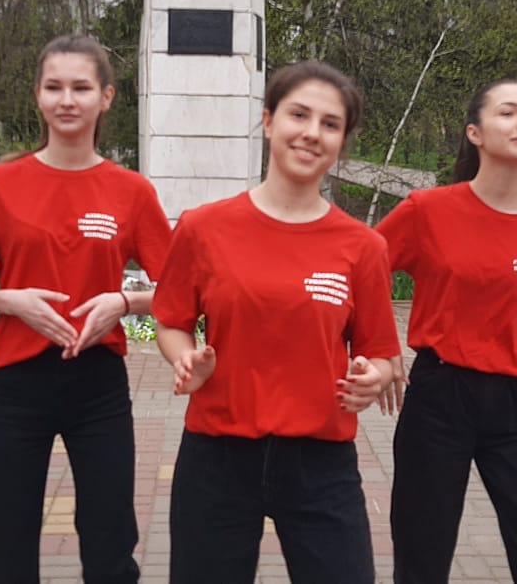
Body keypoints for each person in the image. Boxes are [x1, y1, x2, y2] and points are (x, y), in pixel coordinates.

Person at [153, 61, 397, 583]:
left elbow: (377, 350)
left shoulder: (363, 246)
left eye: (330, 124)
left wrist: (373, 376)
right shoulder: (203, 228)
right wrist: (186, 359)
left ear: (342, 142)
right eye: (298, 115)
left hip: (321, 464)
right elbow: (171, 321)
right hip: (217, 458)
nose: (312, 133)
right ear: (268, 121)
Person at [0, 34, 171, 584]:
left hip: (99, 384)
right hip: (16, 383)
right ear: (38, 96)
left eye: (81, 88)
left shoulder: (131, 191)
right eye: (54, 87)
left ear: (106, 97)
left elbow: (181, 292)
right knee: (7, 544)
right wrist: (10, 301)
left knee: (110, 543)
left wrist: (124, 302)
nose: (67, 100)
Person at [375, 79, 517, 584]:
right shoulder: (427, 210)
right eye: (508, 112)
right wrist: (382, 348)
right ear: (475, 133)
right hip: (438, 398)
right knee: (421, 561)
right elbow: (362, 272)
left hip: (516, 408)